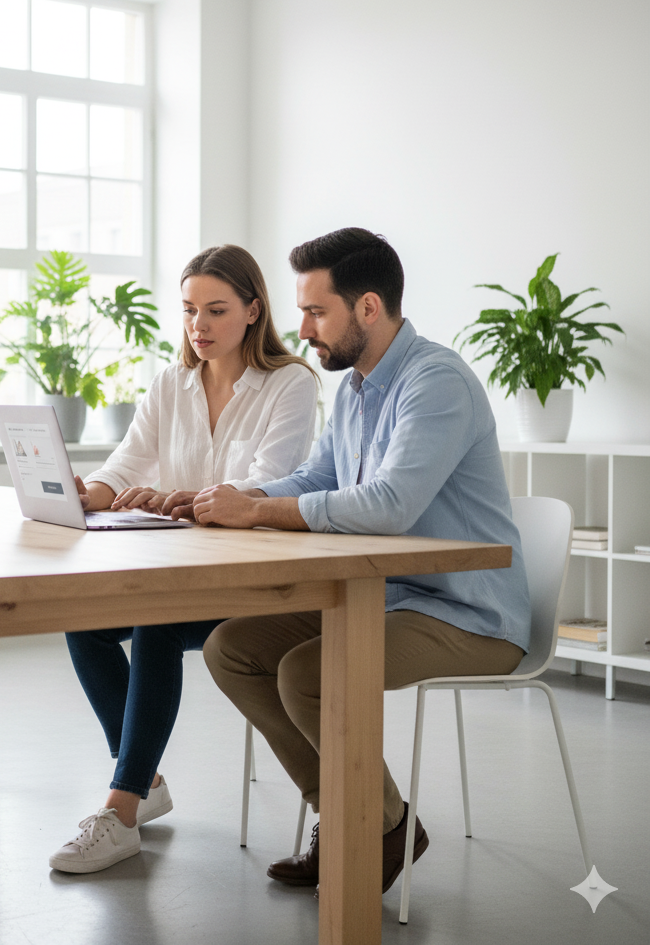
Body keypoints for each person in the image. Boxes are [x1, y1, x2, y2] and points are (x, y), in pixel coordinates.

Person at [197, 227, 530, 896]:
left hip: (471, 616)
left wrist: (259, 514)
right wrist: (238, 497)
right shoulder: (354, 390)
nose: (303, 328)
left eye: (317, 312)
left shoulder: (436, 382)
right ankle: (364, 817)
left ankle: (369, 827)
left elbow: (388, 506)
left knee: (311, 672)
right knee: (232, 648)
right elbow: (316, 478)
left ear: (369, 309)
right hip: (389, 598)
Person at [50, 244, 320, 874]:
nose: (199, 326)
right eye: (190, 310)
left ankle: (121, 810)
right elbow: (124, 465)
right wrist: (83, 493)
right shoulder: (171, 383)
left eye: (217, 310)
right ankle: (143, 782)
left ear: (253, 310)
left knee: (155, 622)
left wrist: (180, 501)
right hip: (180, 568)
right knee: (84, 621)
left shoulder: (291, 384)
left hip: (255, 579)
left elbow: (266, 484)